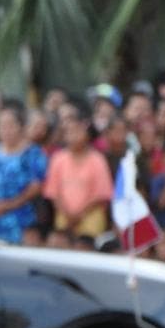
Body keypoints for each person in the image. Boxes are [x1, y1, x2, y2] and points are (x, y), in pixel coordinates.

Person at [43, 102, 114, 238]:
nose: (72, 135)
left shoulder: (97, 159)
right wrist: (68, 214)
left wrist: (79, 214)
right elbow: (52, 192)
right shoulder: (58, 159)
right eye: (69, 132)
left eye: (77, 131)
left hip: (90, 218)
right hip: (64, 217)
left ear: (87, 134)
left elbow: (102, 194)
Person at [0, 105, 46, 244]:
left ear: (20, 126)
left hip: (21, 221)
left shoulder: (33, 153)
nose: (6, 130)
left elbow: (36, 186)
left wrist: (6, 206)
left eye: (10, 125)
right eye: (1, 125)